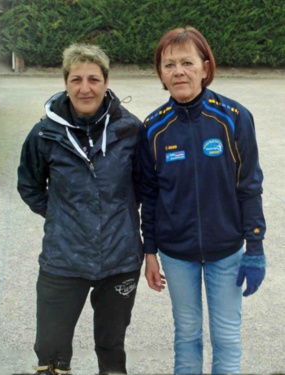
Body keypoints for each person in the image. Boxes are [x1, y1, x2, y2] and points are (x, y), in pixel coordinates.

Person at [140, 27, 266, 374]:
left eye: (187, 62)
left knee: (226, 337)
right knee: (187, 336)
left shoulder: (235, 118)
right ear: (161, 74)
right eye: (169, 65)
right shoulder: (152, 128)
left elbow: (249, 185)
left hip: (226, 251)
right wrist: (149, 251)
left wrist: (254, 247)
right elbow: (148, 195)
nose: (178, 71)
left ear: (205, 67)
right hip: (176, 254)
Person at [17, 44, 143, 375]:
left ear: (106, 81)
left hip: (120, 259)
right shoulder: (44, 133)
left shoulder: (130, 130)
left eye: (93, 79)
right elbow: (29, 185)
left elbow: (145, 186)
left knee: (112, 347)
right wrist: (61, 215)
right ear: (65, 82)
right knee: (51, 353)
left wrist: (112, 217)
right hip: (63, 260)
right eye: (76, 79)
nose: (84, 88)